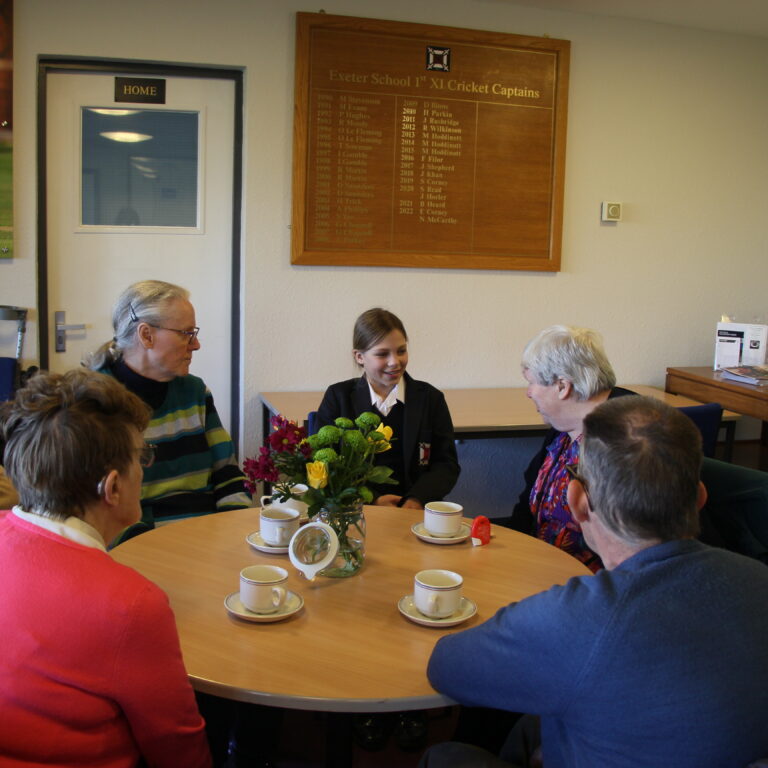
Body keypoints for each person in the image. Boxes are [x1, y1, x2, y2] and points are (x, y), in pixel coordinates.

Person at [423, 396, 768, 768]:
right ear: (700, 497)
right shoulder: (759, 579)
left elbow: (446, 666)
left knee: (444, 757)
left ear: (577, 501)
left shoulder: (577, 616)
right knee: (533, 726)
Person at [0, 369, 211, 768]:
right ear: (112, 488)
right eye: (140, 457)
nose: (144, 468)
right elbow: (176, 745)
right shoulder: (130, 604)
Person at [88, 279, 250, 537]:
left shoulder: (195, 392)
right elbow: (99, 509)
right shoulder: (94, 403)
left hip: (208, 533)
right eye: (186, 334)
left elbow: (228, 475)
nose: (196, 345)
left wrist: (234, 531)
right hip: (140, 543)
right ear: (146, 335)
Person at [509, 325, 633, 572]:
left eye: (531, 383)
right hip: (540, 568)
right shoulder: (565, 425)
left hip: (594, 588)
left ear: (562, 387)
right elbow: (527, 506)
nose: (528, 393)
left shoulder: (628, 441)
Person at [317, 308, 459, 510]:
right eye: (382, 354)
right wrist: (372, 499)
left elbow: (446, 464)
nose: (395, 362)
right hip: (355, 509)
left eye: (401, 350)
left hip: (415, 511)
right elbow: (324, 464)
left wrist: (416, 499)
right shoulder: (338, 397)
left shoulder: (431, 398)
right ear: (359, 357)